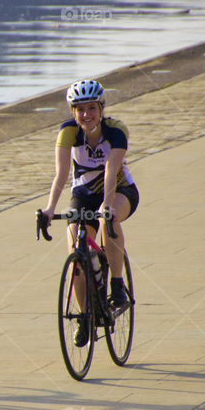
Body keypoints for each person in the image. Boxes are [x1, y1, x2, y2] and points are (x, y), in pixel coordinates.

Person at [39, 79, 139, 344]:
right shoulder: (68, 132)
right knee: (76, 252)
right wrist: (49, 209)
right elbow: (61, 175)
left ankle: (117, 284)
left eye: (92, 108)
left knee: (109, 220)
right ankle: (86, 318)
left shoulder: (116, 131)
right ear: (73, 111)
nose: (86, 114)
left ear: (101, 108)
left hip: (118, 190)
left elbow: (111, 168)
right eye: (80, 109)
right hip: (83, 195)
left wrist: (106, 204)